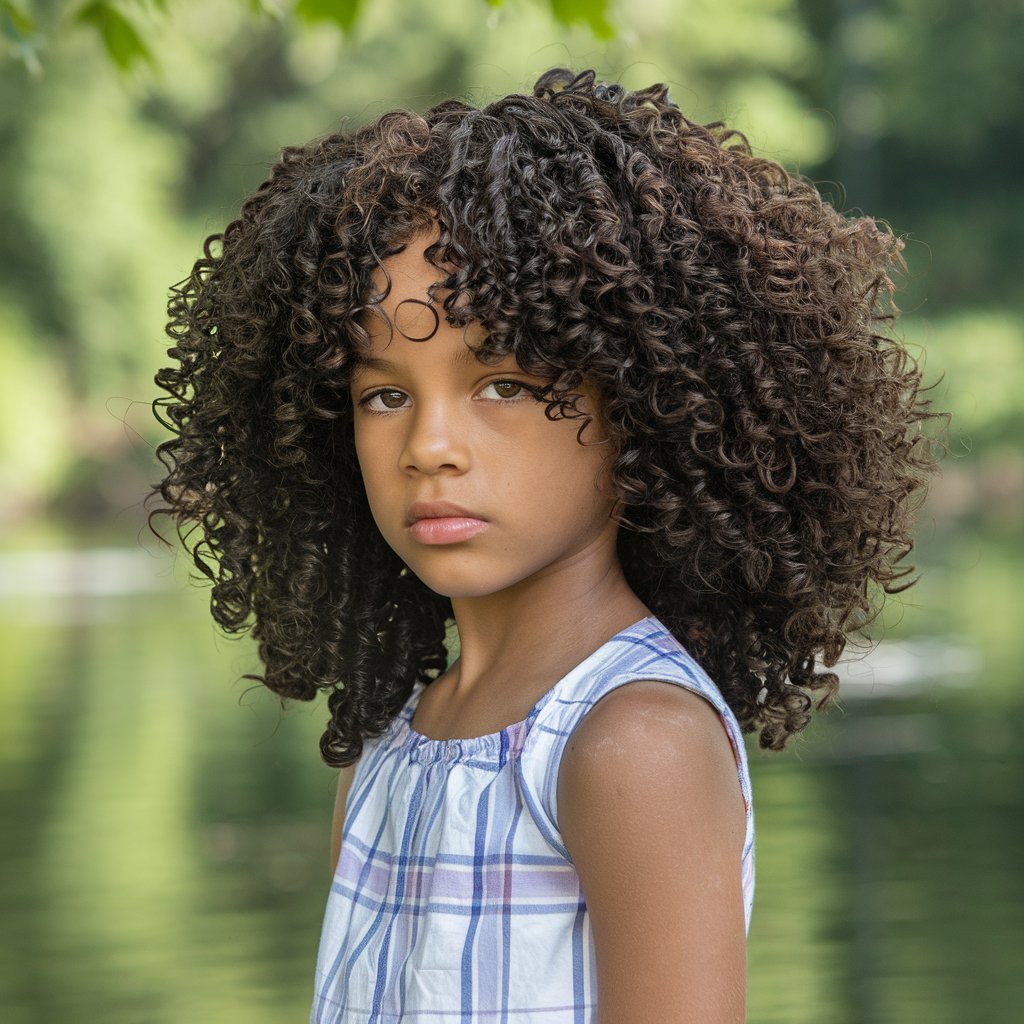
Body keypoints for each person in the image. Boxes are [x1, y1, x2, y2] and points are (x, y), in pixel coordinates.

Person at [150, 67, 944, 1023]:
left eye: (506, 385)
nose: (429, 448)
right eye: (384, 395)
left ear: (643, 408)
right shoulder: (385, 749)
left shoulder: (633, 743)